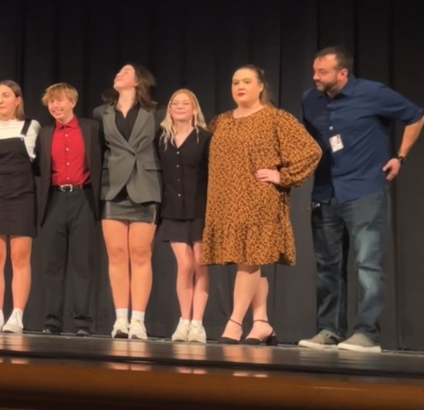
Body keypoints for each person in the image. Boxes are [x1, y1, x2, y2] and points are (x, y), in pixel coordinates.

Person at [298, 46, 424, 353]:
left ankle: (367, 334)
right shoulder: (309, 99)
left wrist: (400, 157)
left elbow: (416, 116)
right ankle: (328, 330)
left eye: (322, 72)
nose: (315, 77)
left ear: (342, 73)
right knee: (327, 265)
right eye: (314, 70)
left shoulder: (372, 93)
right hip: (326, 192)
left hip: (364, 189)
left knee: (367, 263)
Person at [202, 65, 321, 345]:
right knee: (252, 263)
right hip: (225, 201)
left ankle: (234, 322)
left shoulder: (275, 119)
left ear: (260, 86)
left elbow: (311, 151)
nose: (239, 86)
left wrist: (283, 176)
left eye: (246, 81)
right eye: (235, 82)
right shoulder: (220, 121)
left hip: (258, 200)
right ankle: (261, 322)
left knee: (250, 259)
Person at [94, 63, 165, 340]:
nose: (118, 74)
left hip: (145, 187)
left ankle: (138, 321)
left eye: (125, 71)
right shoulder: (101, 113)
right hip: (113, 187)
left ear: (138, 81)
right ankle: (120, 319)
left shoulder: (155, 113)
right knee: (116, 254)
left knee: (140, 253)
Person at [34, 83, 102, 336]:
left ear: (72, 101)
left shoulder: (92, 128)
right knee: (52, 265)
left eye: (60, 100)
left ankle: (83, 323)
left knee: (82, 264)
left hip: (83, 198)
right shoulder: (45, 133)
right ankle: (52, 321)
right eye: (52, 102)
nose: (56, 105)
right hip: (54, 200)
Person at [0, 80, 39, 333]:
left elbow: (36, 161)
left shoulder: (30, 126)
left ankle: (17, 315)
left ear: (18, 100)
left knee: (19, 257)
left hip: (21, 195)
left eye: (5, 95)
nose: (0, 100)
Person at [157, 89, 211, 343]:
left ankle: (197, 323)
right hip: (173, 211)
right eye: (174, 102)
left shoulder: (206, 138)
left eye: (185, 102)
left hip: (200, 210)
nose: (179, 106)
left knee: (200, 263)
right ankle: (184, 321)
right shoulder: (161, 138)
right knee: (185, 264)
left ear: (194, 108)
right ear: (169, 109)